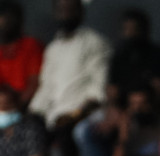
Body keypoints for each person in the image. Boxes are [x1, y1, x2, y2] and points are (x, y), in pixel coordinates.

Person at [29, 0, 109, 139]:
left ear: (81, 12)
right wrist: (33, 112)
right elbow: (47, 87)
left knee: (68, 131)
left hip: (83, 113)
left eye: (70, 10)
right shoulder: (53, 48)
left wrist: (77, 114)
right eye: (61, 10)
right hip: (54, 115)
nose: (66, 15)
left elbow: (98, 88)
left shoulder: (94, 42)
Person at [0, 83, 46, 156]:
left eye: (7, 105)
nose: (3, 110)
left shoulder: (30, 127)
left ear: (16, 106)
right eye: (0, 107)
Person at [0, 1, 43, 107]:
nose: (2, 21)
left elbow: (34, 84)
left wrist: (18, 107)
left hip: (24, 107)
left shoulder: (31, 45)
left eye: (5, 16)